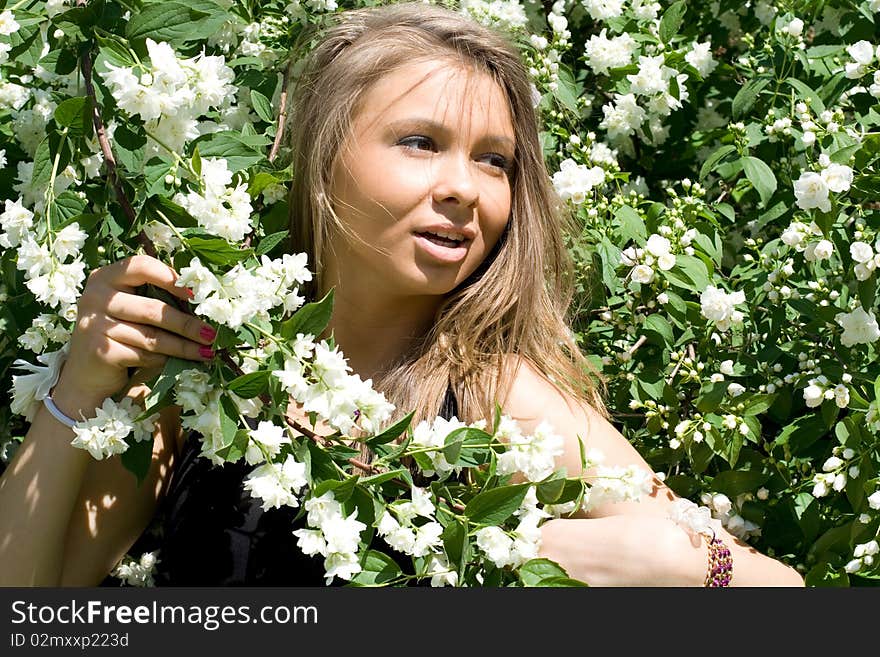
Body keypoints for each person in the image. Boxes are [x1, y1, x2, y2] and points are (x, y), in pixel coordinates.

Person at [0, 1, 803, 587]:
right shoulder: (214, 369)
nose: (466, 188)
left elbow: (776, 591)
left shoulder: (490, 396)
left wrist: (632, 558)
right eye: (420, 142)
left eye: (494, 160)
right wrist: (78, 390)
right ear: (324, 160)